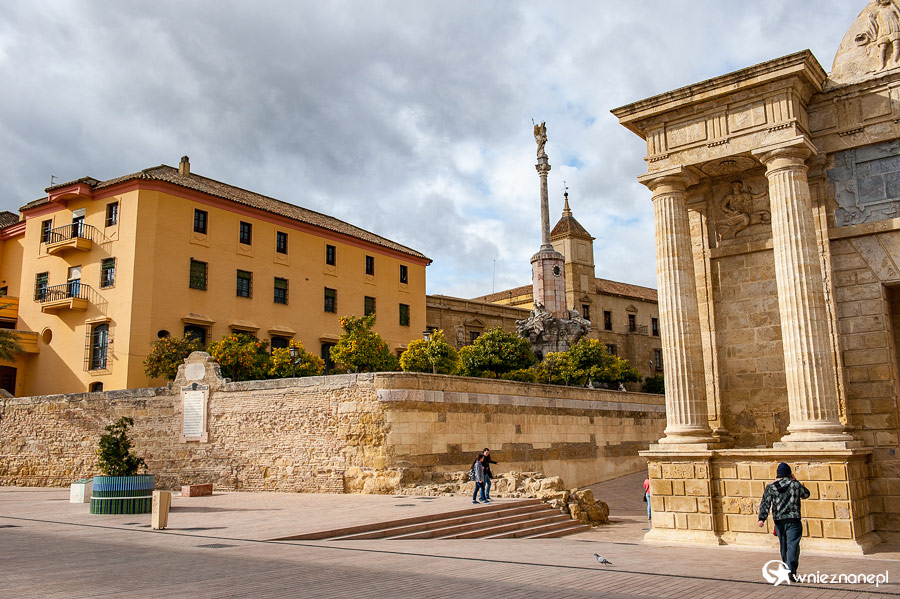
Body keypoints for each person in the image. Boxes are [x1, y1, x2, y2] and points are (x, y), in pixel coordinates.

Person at [757, 462, 810, 582]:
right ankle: (791, 570)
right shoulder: (795, 485)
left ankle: (787, 568)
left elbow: (765, 503)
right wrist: (796, 480)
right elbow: (806, 494)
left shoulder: (771, 487)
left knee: (784, 546)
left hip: (779, 521)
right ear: (789, 474)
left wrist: (762, 518)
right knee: (793, 545)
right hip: (793, 520)